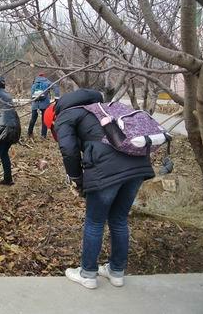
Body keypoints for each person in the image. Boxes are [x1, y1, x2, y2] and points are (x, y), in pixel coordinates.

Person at [44, 88, 155, 289]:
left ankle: (87, 274)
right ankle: (116, 271)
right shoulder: (100, 108)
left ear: (53, 118)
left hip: (107, 169)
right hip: (138, 165)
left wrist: (77, 179)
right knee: (119, 219)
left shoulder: (65, 115)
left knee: (95, 222)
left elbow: (68, 150)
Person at [27, 73, 59, 139]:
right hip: (44, 103)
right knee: (44, 119)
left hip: (35, 103)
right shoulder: (47, 81)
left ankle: (29, 133)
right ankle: (43, 136)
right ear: (44, 76)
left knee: (33, 118)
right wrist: (56, 97)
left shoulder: (34, 82)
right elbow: (56, 87)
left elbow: (32, 94)